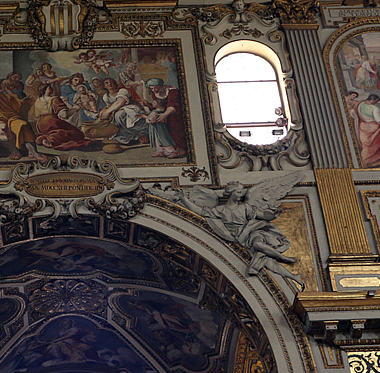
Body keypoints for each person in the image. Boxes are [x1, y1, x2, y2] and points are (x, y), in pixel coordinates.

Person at [168, 172, 304, 290]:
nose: (241, 194)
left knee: (258, 245)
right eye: (238, 192)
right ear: (231, 193)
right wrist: (184, 199)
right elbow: (199, 211)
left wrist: (273, 216)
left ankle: (283, 258)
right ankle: (293, 276)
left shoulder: (245, 207)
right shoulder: (220, 210)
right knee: (265, 261)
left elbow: (262, 215)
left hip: (253, 232)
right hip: (241, 239)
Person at [31, 84, 90, 150]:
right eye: (50, 88)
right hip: (52, 122)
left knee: (58, 131)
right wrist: (75, 109)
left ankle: (43, 137)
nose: (52, 89)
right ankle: (49, 138)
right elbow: (64, 114)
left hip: (40, 124)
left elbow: (36, 115)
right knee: (78, 134)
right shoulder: (54, 99)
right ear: (45, 90)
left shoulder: (38, 100)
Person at [97, 78, 149, 145]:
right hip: (118, 110)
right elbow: (110, 106)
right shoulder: (105, 96)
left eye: (111, 82)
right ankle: (126, 136)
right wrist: (104, 111)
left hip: (131, 108)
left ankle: (137, 135)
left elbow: (120, 102)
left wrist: (107, 112)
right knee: (115, 116)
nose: (110, 84)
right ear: (104, 86)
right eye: (107, 83)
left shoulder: (122, 91)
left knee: (120, 114)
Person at [143, 78, 186, 158]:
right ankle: (162, 151)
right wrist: (149, 105)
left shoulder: (172, 91)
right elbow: (159, 107)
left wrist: (165, 115)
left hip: (174, 114)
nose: (154, 90)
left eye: (156, 87)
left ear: (161, 86)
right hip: (164, 115)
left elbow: (173, 106)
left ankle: (179, 150)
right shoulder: (154, 94)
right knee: (159, 131)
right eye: (152, 88)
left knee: (174, 127)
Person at [353, 94, 380, 167]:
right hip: (374, 127)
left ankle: (366, 161)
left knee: (366, 145)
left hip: (363, 126)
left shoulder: (360, 103)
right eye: (376, 101)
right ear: (373, 100)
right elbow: (378, 119)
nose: (376, 103)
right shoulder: (374, 108)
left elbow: (353, 113)